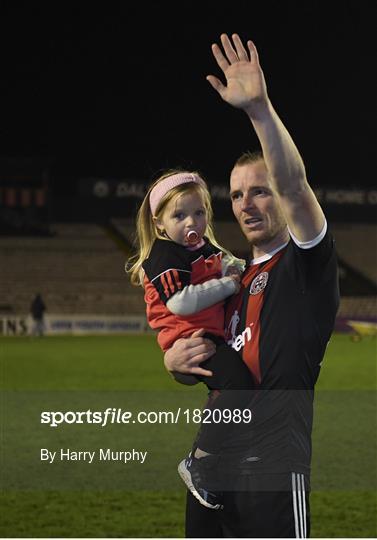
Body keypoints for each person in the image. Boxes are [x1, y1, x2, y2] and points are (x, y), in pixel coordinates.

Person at [164, 33, 339, 538]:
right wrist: (174, 363)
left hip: (273, 472)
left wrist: (260, 110)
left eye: (259, 191)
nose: (246, 203)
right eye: (237, 194)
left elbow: (295, 186)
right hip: (211, 474)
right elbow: (203, 355)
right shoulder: (229, 278)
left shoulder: (306, 265)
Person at [127, 170, 255, 510]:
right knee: (238, 386)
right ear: (159, 224)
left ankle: (213, 461)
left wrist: (238, 267)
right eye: (179, 215)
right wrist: (229, 284)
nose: (191, 222)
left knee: (229, 391)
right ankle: (199, 460)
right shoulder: (165, 253)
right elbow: (180, 302)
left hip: (207, 336)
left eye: (199, 212)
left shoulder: (199, 245)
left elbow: (225, 260)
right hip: (191, 338)